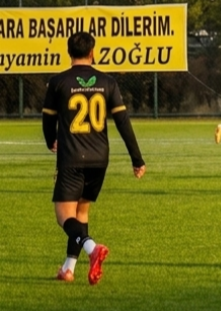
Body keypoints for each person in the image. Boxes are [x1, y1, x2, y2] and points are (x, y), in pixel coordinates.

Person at [42, 31, 146, 285]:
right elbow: (122, 121)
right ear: (92, 53)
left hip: (72, 158)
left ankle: (92, 248)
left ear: (69, 53)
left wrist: (49, 140)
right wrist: (137, 158)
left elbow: (48, 120)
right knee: (82, 211)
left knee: (63, 216)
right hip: (100, 158)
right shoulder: (108, 82)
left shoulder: (58, 82)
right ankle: (68, 268)